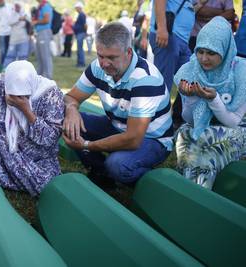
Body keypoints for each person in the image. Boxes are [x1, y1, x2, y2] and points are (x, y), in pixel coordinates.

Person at [63, 22, 173, 185]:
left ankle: (149, 180)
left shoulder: (145, 79)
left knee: (118, 165)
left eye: (112, 57)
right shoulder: (97, 67)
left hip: (153, 139)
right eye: (101, 56)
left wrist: (87, 145)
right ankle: (101, 171)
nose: (105, 63)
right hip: (118, 127)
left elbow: (133, 139)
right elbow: (71, 98)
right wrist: (71, 109)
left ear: (129, 52)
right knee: (63, 118)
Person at [0, 60, 64, 196]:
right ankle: (5, 169)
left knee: (45, 184)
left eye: (22, 95)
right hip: (4, 144)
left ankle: (3, 170)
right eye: (12, 95)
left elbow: (49, 138)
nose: (15, 99)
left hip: (37, 156)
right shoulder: (1, 86)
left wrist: (27, 110)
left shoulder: (51, 95)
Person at [174, 16, 246, 189]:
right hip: (207, 127)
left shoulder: (241, 72)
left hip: (239, 129)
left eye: (211, 53)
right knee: (185, 133)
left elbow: (233, 122)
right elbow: (190, 121)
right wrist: (190, 97)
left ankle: (197, 193)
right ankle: (186, 188)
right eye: (200, 51)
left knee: (206, 138)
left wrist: (213, 99)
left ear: (225, 50)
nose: (204, 58)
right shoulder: (192, 70)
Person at [149, 0, 195, 128]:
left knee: (190, 79)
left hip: (182, 40)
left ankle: (168, 124)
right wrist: (162, 28)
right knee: (163, 86)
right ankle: (156, 126)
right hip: (169, 35)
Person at [3, 2, 30, 67]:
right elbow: (9, 22)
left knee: (23, 57)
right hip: (13, 40)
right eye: (16, 6)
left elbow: (30, 21)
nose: (17, 7)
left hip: (23, 39)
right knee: (9, 57)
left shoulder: (25, 13)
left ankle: (23, 70)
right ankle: (5, 70)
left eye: (18, 6)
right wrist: (19, 19)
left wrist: (25, 19)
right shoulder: (11, 14)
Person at [32, 0, 53, 78]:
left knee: (45, 55)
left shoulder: (45, 5)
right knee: (39, 55)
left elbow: (46, 20)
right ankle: (39, 76)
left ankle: (48, 76)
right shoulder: (41, 6)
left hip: (44, 32)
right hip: (39, 32)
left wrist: (35, 22)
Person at [0, 0, 12, 65]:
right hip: (1, 33)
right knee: (3, 51)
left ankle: (10, 64)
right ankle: (3, 65)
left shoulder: (10, 6)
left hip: (10, 31)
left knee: (10, 50)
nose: (0, 1)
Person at [72, 1, 87, 68]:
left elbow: (85, 25)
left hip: (80, 33)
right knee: (79, 48)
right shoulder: (80, 14)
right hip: (79, 33)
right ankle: (80, 62)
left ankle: (81, 63)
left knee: (80, 48)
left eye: (76, 8)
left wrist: (84, 32)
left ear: (79, 7)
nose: (76, 9)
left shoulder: (82, 15)